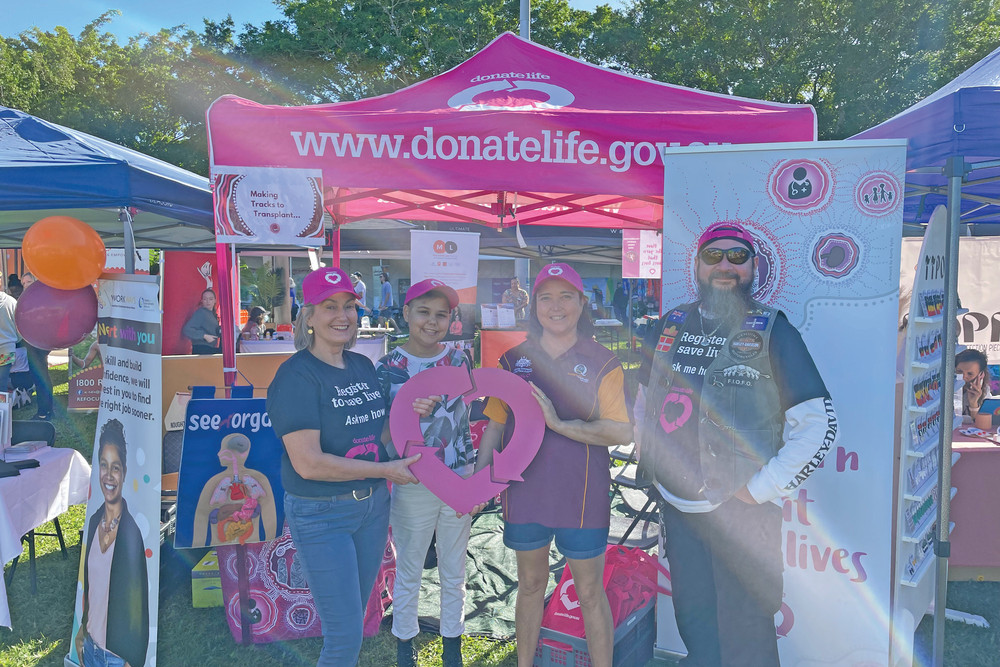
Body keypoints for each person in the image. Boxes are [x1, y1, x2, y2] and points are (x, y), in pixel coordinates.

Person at [634, 222, 838, 666]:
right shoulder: (669, 324)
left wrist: (758, 490)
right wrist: (653, 461)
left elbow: (818, 424)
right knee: (696, 623)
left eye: (737, 257)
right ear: (697, 266)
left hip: (743, 515)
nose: (725, 266)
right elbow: (644, 401)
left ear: (754, 267)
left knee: (748, 633)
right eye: (713, 256)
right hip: (679, 509)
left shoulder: (773, 330)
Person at [477, 263, 632, 667]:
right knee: (529, 584)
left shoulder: (603, 363)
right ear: (535, 305)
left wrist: (561, 425)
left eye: (566, 296)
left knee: (589, 592)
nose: (556, 306)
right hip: (525, 493)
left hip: (582, 496)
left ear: (583, 303)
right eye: (546, 296)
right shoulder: (512, 360)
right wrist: (479, 483)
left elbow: (620, 432)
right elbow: (495, 425)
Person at [266, 266, 421, 667]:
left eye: (349, 306)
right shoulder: (296, 376)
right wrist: (386, 472)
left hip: (371, 510)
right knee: (345, 635)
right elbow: (309, 464)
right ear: (309, 317)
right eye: (329, 306)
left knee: (356, 615)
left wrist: (414, 410)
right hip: (322, 514)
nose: (342, 315)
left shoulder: (361, 366)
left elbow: (377, 435)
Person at [374, 279, 474, 667]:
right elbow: (379, 436)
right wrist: (406, 414)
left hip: (455, 480)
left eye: (441, 315)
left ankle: (453, 645)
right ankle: (405, 646)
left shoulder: (458, 360)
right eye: (424, 312)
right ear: (406, 314)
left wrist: (470, 478)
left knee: (454, 566)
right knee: (410, 565)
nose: (432, 322)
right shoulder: (386, 368)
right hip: (412, 481)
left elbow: (464, 424)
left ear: (451, 320)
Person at [75, 419, 149, 667]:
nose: (108, 475)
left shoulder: (131, 533)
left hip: (117, 659)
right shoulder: (94, 521)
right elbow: (91, 587)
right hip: (90, 648)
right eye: (103, 466)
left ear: (125, 473)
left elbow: (140, 607)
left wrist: (132, 661)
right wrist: (81, 630)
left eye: (115, 467)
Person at [191, 432, 278, 547]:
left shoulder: (258, 479)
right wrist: (197, 546)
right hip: (222, 546)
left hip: (251, 545)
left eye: (223, 450)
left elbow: (269, 513)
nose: (218, 453)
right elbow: (201, 517)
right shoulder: (215, 482)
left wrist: (270, 543)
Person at [16, 273, 54, 420]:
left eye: (29, 281)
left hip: (37, 342)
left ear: (35, 282)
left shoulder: (39, 299)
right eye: (23, 282)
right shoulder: (27, 299)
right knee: (40, 376)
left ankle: (44, 413)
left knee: (40, 376)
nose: (26, 285)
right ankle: (47, 410)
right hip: (32, 342)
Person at [182, 289, 221, 355]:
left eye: (210, 299)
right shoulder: (201, 312)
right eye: (205, 299)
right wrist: (204, 336)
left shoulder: (212, 314)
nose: (208, 301)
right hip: (202, 349)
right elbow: (187, 330)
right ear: (202, 301)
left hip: (210, 349)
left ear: (215, 301)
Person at [955, 348, 991, 420]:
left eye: (970, 374)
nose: (963, 377)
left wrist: (973, 404)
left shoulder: (984, 390)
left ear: (980, 375)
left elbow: (980, 424)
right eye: (959, 371)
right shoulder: (943, 386)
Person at [0, 275, 17, 392]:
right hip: (8, 349)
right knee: (3, 382)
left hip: (7, 348)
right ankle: (3, 409)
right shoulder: (11, 302)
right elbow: (19, 326)